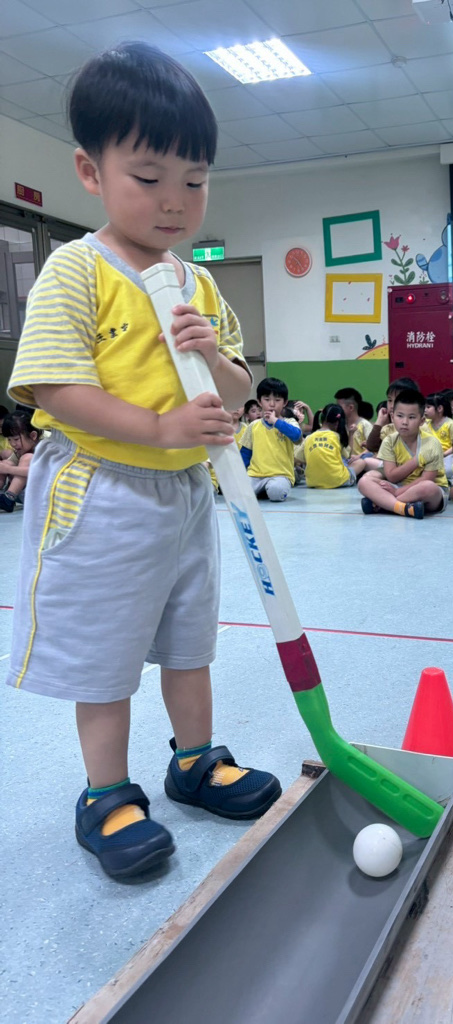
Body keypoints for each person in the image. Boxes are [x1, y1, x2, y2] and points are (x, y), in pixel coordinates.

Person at [4, 43, 281, 880]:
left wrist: (216, 360)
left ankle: (195, 761)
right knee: (106, 654)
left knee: (190, 639)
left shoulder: (199, 283)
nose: (174, 201)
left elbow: (239, 386)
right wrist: (159, 427)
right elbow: (54, 389)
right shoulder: (76, 269)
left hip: (187, 494)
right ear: (91, 172)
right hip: (103, 493)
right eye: (150, 177)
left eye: (194, 181)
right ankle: (107, 795)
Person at [357, 388, 448, 519]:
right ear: (392, 416)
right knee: (364, 482)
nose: (405, 422)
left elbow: (427, 479)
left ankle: (384, 504)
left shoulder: (432, 443)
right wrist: (416, 460)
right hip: (398, 485)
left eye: (411, 417)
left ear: (422, 421)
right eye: (400, 416)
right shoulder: (389, 441)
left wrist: (397, 492)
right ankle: (404, 508)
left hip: (428, 490)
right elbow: (392, 476)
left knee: (428, 487)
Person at [239, 377, 303, 501]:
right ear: (259, 401)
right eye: (267, 399)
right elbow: (245, 453)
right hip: (255, 475)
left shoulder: (289, 422)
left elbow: (297, 437)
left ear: (285, 402)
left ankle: (268, 490)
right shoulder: (253, 426)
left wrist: (276, 422)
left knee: (276, 491)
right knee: (240, 492)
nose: (272, 404)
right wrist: (239, 474)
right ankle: (263, 490)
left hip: (281, 475)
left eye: (277, 400)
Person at [304, 404, 357, 489]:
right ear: (337, 423)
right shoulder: (337, 436)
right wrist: (351, 434)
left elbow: (299, 458)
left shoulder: (308, 438)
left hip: (312, 482)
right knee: (361, 463)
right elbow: (348, 455)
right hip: (338, 481)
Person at [363, 377, 420, 455]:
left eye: (397, 400)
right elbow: (372, 447)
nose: (392, 405)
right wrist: (379, 422)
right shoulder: (388, 428)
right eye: (390, 400)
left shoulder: (419, 424)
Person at [0, 410, 42, 512]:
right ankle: (5, 499)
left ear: (33, 436)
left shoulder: (47, 444)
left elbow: (40, 471)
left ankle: (9, 498)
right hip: (27, 495)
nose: (12, 444)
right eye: (9, 440)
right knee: (6, 463)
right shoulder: (20, 450)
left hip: (44, 494)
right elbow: (6, 466)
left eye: (16, 439)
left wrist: (8, 469)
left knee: (26, 458)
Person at [424, 391, 453, 475]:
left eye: (428, 407)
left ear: (439, 408)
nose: (425, 410)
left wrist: (443, 454)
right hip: (429, 456)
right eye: (424, 407)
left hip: (447, 456)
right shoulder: (425, 424)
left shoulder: (451, 424)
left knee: (448, 470)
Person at [334, 387, 373, 458]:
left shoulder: (365, 425)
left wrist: (358, 457)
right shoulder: (339, 425)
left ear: (351, 408)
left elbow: (373, 448)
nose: (337, 409)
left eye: (339, 407)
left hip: (362, 462)